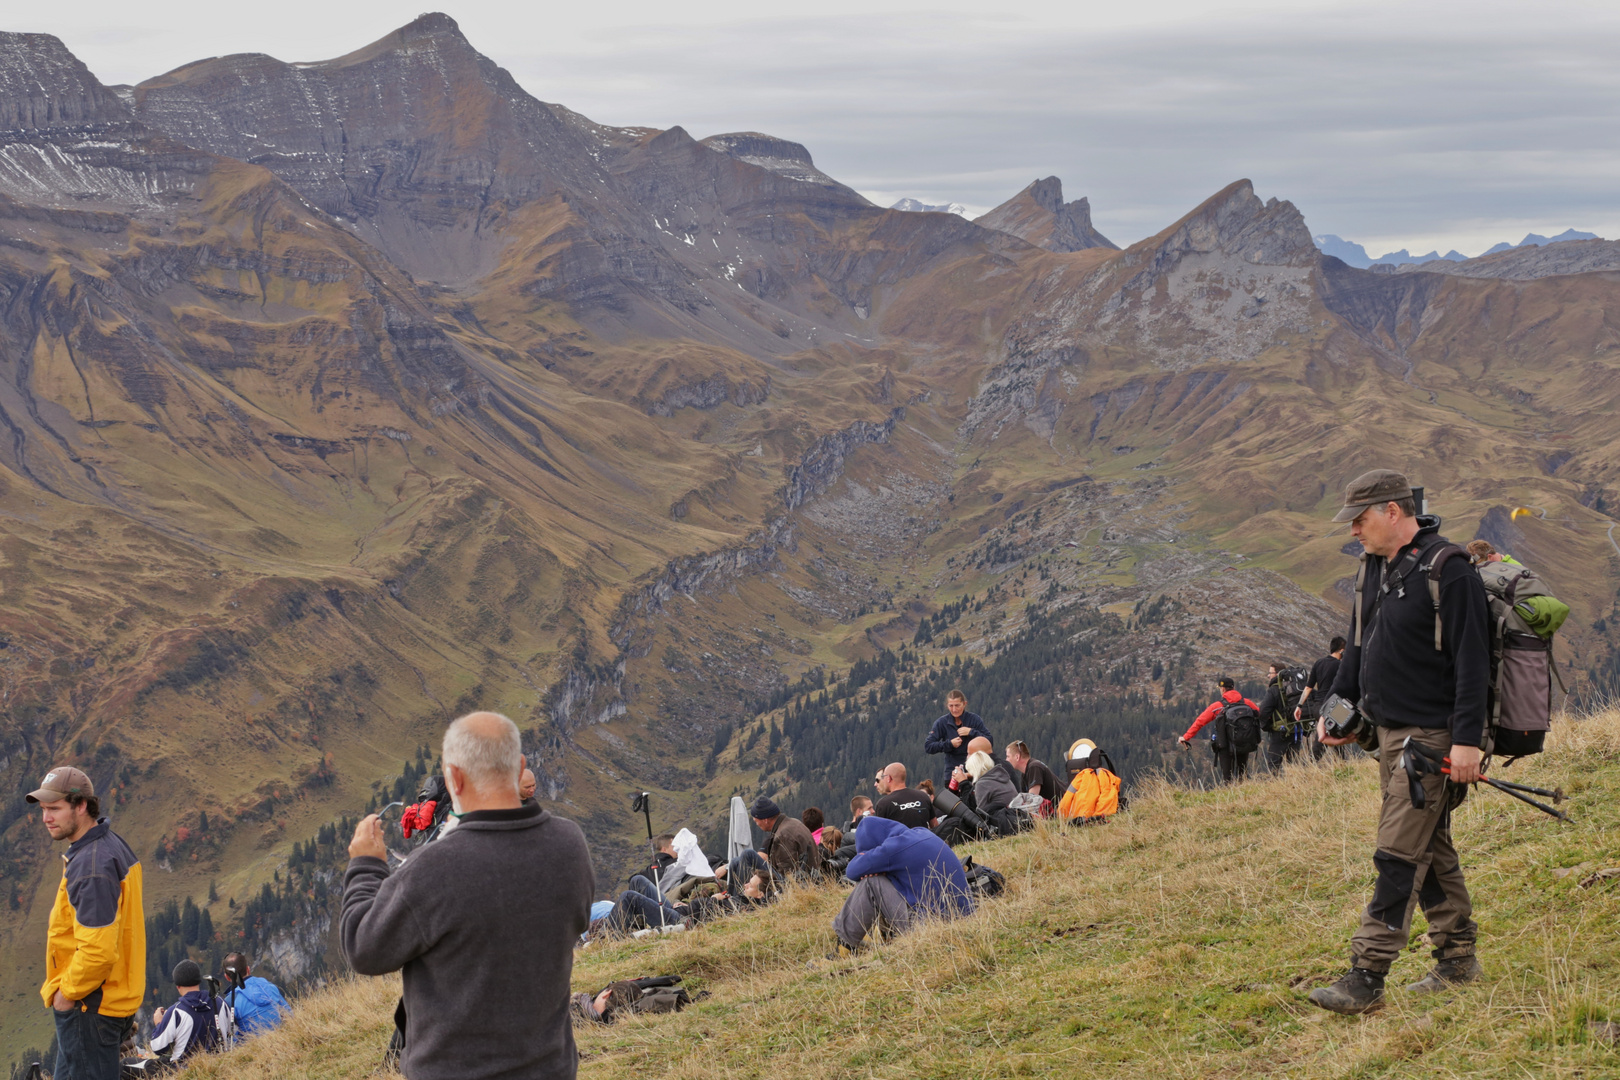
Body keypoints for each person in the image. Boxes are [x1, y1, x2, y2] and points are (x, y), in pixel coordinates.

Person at [1308, 469, 1489, 1015]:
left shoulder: (1448, 569)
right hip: (1387, 735)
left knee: (1397, 852)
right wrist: (1336, 710)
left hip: (1431, 741)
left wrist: (1467, 743)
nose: (1354, 531)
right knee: (1428, 848)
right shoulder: (1372, 571)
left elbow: (1472, 663)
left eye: (1360, 520)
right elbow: (1358, 647)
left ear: (1392, 510)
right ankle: (1457, 961)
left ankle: (1367, 976)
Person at [341, 711, 594, 1080]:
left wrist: (366, 865)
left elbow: (363, 948)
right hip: (549, 1067)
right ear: (519, 766)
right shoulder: (570, 844)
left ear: (453, 778)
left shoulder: (432, 868)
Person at [30, 765, 146, 1080]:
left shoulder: (92, 865)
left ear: (81, 806)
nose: (46, 818)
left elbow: (98, 952)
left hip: (89, 1006)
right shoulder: (110, 844)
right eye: (43, 809)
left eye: (55, 808)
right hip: (109, 998)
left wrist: (65, 995)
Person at [831, 815, 973, 955]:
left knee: (872, 882)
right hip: (964, 922)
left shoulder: (892, 848)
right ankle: (885, 935)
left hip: (930, 927)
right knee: (890, 881)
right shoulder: (921, 832)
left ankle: (844, 947)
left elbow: (852, 871)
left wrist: (869, 859)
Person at [1178, 679, 1260, 783]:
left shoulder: (1217, 706)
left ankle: (1229, 795)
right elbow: (1261, 715)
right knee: (1242, 773)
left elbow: (1200, 722)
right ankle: (1245, 795)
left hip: (1225, 745)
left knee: (1227, 777)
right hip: (1244, 743)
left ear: (1223, 689)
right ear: (1233, 688)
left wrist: (1186, 737)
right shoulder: (1247, 703)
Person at [725, 797, 821, 883]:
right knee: (736, 861)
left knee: (748, 854)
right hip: (807, 875)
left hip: (796, 882)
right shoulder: (793, 822)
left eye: (756, 821)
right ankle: (733, 897)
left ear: (765, 820)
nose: (756, 824)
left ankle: (743, 898)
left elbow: (787, 872)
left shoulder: (783, 835)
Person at [149, 960, 228, 1064]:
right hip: (220, 1063)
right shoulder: (220, 1003)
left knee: (126, 1065)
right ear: (199, 981)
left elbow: (158, 1048)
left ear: (178, 986)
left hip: (183, 1069)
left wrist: (159, 1023)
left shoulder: (176, 1011)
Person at [1296, 637, 1347, 760]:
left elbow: (1308, 688)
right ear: (1341, 650)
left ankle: (1341, 763)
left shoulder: (1319, 663)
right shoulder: (1340, 666)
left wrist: (1299, 706)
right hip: (1333, 706)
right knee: (1328, 734)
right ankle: (1313, 763)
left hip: (1318, 707)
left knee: (1334, 734)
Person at [924, 690, 992, 781]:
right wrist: (949, 744)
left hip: (974, 771)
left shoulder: (974, 720)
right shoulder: (942, 723)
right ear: (947, 705)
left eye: (957, 705)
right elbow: (928, 746)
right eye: (951, 706)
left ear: (964, 704)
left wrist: (971, 732)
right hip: (952, 773)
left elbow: (989, 741)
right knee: (951, 795)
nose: (954, 709)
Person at [220, 953, 290, 1037]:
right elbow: (289, 1015)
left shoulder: (230, 1002)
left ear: (227, 977)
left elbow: (229, 1036)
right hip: (281, 1039)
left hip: (252, 1046)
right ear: (248, 969)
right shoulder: (270, 987)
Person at [1258, 663, 1308, 772]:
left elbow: (1263, 711)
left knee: (1274, 764)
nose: (1268, 676)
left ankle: (1273, 786)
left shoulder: (1274, 690)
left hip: (1280, 733)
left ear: (1277, 674)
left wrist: (1266, 726)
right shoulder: (1295, 688)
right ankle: (1294, 785)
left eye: (1270, 673)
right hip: (1296, 730)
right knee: (1293, 764)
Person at [873, 763, 934, 830]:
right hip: (924, 839)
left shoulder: (883, 804)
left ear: (889, 778)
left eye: (883, 777)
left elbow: (880, 834)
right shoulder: (923, 796)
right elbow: (935, 826)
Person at [1005, 741, 1062, 809]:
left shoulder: (1034, 767)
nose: (1006, 760)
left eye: (1008, 756)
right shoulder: (1025, 773)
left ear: (1017, 757)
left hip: (1064, 809)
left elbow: (1031, 801)